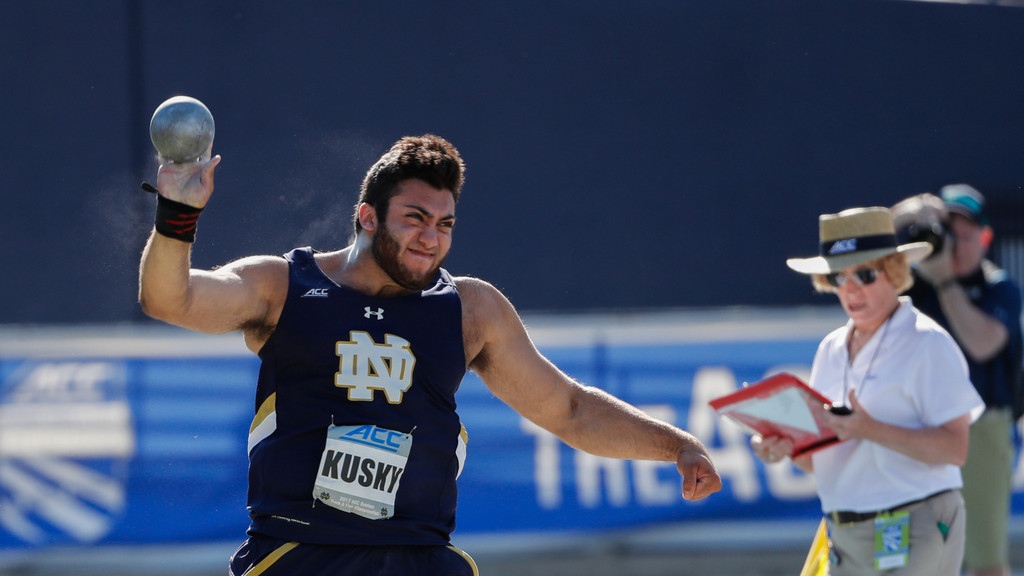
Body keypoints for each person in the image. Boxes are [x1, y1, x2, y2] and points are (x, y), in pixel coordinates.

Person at [137, 134, 722, 575]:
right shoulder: (283, 285)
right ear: (368, 218)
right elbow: (170, 299)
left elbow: (568, 409)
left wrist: (677, 445)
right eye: (414, 219)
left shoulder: (471, 309)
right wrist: (177, 213)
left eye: (444, 224)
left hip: (419, 558)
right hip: (299, 554)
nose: (431, 237)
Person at [750, 206, 984, 576]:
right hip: (844, 537)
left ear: (894, 272)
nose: (851, 288)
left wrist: (868, 428)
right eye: (839, 277)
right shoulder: (831, 348)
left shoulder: (928, 342)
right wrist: (785, 445)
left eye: (865, 274)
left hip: (917, 525)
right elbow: (823, 462)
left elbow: (956, 449)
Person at [892, 185, 1023, 576]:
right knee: (918, 558)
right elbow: (867, 266)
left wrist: (947, 283)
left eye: (967, 237)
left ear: (985, 238)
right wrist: (904, 214)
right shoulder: (915, 285)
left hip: (981, 431)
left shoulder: (999, 287)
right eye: (950, 235)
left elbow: (983, 344)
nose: (957, 247)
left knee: (985, 560)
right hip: (920, 428)